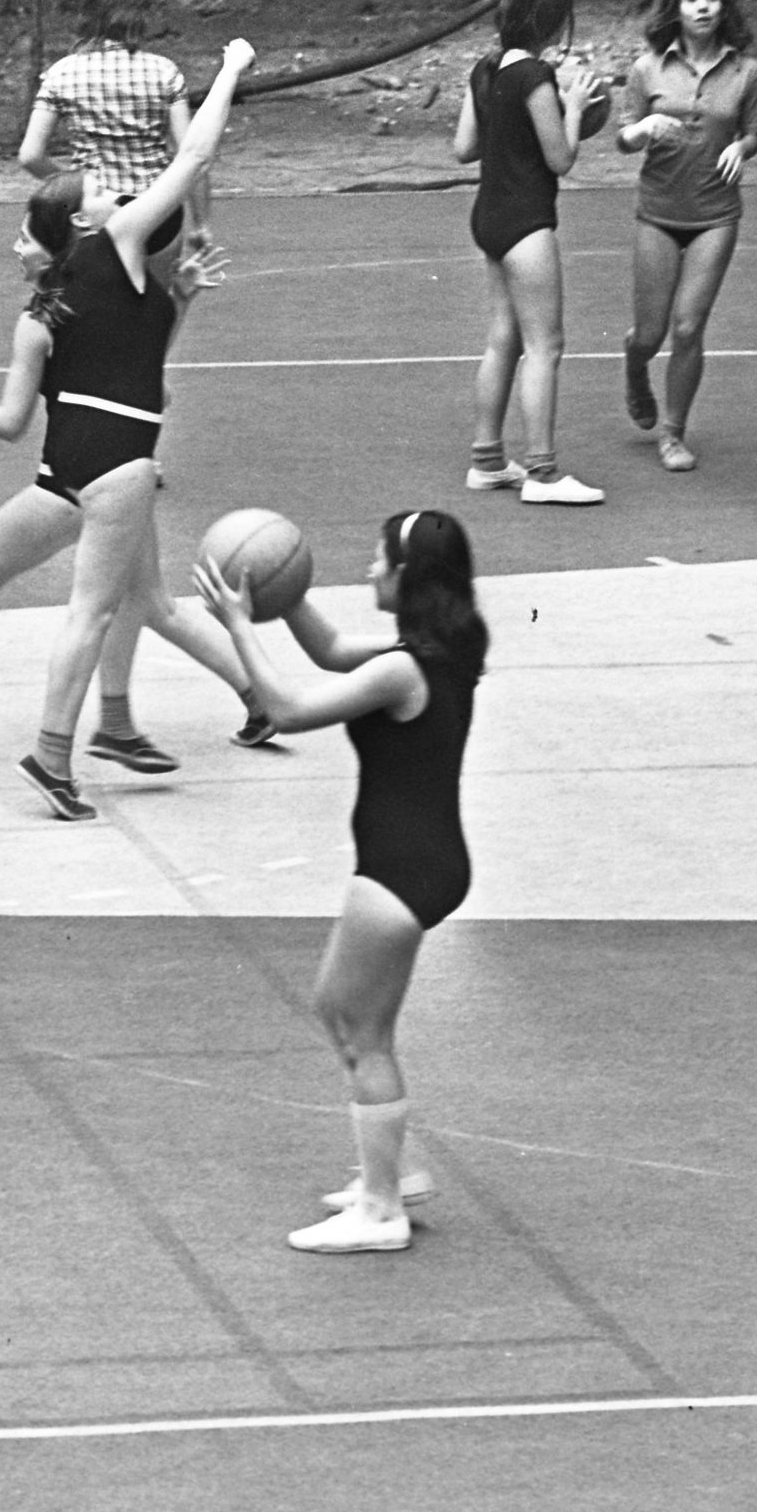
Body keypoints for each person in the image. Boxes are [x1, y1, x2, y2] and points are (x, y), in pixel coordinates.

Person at [0, 46, 268, 804]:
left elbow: (18, 419)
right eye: (102, 193)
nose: (119, 195)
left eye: (20, 235)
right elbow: (194, 154)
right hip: (119, 464)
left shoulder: (44, 314)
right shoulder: (116, 246)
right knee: (92, 612)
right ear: (81, 223)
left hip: (66, 471)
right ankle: (53, 759)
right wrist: (230, 70)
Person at [196, 510, 487, 1255]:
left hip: (399, 869)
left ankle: (382, 1210)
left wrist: (240, 627)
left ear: (407, 576)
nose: (368, 571)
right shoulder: (445, 646)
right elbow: (328, 651)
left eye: (378, 559)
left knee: (359, 1029)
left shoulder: (401, 667)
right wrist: (283, 594)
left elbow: (288, 711)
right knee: (347, 1016)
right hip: (425, 861)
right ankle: (396, 1176)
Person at [456, 0, 605, 505]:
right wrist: (576, 108)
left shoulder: (485, 70)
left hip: (488, 216)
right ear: (552, 25)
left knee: (504, 338)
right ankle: (542, 474)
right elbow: (560, 159)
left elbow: (463, 148)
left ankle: (487, 461)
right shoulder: (536, 77)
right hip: (526, 220)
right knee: (547, 344)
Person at [615, 0, 757, 472]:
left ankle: (674, 433)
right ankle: (635, 365)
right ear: (676, 10)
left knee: (688, 328)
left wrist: (742, 148)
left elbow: (753, 132)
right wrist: (645, 127)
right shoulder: (648, 68)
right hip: (658, 210)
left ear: (724, 7)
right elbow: (622, 137)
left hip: (716, 212)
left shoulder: (747, 71)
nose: (703, 7)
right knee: (651, 333)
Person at [17, 0, 208, 281]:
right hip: (158, 211)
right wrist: (201, 225)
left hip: (95, 216)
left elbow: (30, 155)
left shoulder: (61, 74)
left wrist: (73, 185)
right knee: (153, 319)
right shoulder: (165, 72)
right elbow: (192, 157)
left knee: (93, 317)